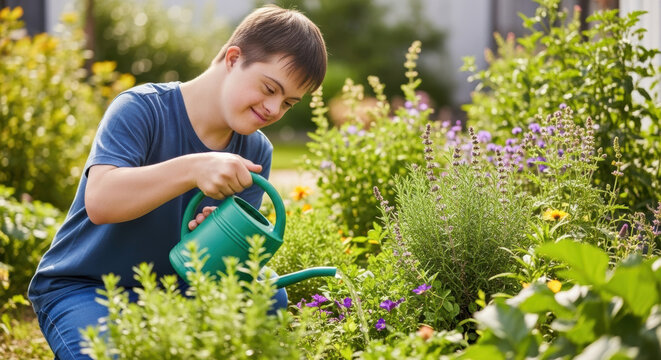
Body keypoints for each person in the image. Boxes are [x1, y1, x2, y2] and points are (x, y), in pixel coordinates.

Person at [28, 5, 326, 359]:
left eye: (289, 103)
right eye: (269, 88)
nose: (274, 109)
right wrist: (192, 169)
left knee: (268, 294)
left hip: (171, 291)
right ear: (233, 59)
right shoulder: (142, 109)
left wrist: (213, 244)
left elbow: (221, 272)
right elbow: (101, 201)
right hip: (86, 286)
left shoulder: (255, 151)